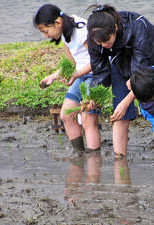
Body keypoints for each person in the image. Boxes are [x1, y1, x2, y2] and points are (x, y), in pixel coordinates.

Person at [86, 4, 154, 158]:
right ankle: (120, 159)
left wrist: (126, 102)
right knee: (120, 114)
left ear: (115, 28)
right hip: (120, 62)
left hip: (151, 59)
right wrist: (94, 95)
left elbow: (141, 72)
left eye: (107, 40)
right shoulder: (95, 37)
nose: (104, 46)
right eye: (100, 44)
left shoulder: (138, 26)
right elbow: (100, 71)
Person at [33, 4, 101, 152]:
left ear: (57, 22)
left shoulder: (82, 31)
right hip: (82, 75)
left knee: (88, 120)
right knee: (66, 116)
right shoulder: (65, 32)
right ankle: (80, 155)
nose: (46, 36)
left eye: (46, 31)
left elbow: (97, 62)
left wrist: (76, 75)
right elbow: (71, 62)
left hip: (96, 75)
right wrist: (53, 76)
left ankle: (94, 161)